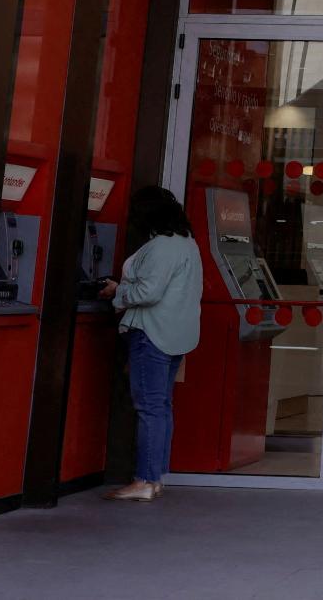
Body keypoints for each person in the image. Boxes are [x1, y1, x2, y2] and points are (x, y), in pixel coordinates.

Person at [103, 185, 202, 502]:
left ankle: (144, 480)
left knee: (149, 408)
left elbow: (148, 292)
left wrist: (117, 293)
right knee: (161, 406)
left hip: (152, 333)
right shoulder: (188, 243)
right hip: (176, 335)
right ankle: (155, 477)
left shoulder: (160, 247)